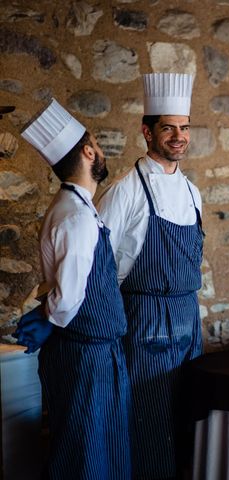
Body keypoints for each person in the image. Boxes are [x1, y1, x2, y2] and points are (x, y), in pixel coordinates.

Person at [14, 98, 131, 479]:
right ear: (88, 151)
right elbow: (66, 300)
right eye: (95, 142)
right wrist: (47, 318)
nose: (98, 150)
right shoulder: (76, 217)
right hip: (84, 358)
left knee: (95, 452)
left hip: (92, 355)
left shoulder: (75, 206)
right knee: (84, 458)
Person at [97, 72, 204, 479]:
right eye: (168, 128)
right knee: (148, 423)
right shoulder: (126, 191)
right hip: (143, 323)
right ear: (147, 131)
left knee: (187, 419)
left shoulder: (193, 193)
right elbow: (97, 265)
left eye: (184, 128)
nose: (178, 136)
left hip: (188, 322)